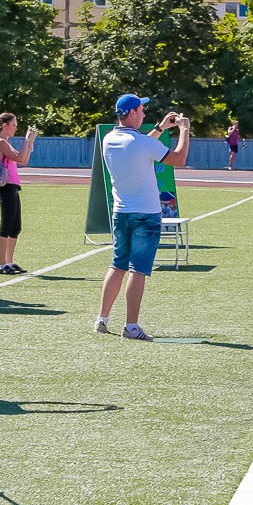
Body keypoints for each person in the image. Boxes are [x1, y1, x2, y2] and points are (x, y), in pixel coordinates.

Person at [95, 95, 191, 340]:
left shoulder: (109, 139)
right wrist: (184, 130)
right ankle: (131, 326)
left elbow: (138, 147)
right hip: (146, 214)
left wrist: (160, 128)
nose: (144, 113)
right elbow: (179, 159)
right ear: (132, 113)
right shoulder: (140, 143)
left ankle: (102, 319)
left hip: (121, 212)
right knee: (138, 270)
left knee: (117, 265)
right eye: (141, 109)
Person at [0, 111, 37, 274]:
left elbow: (24, 159)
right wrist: (26, 141)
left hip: (13, 187)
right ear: (4, 126)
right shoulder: (0, 142)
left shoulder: (5, 142)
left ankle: (9, 262)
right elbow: (20, 158)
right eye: (14, 125)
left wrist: (30, 142)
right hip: (6, 188)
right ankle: (2, 264)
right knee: (6, 227)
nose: (16, 128)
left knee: (15, 228)